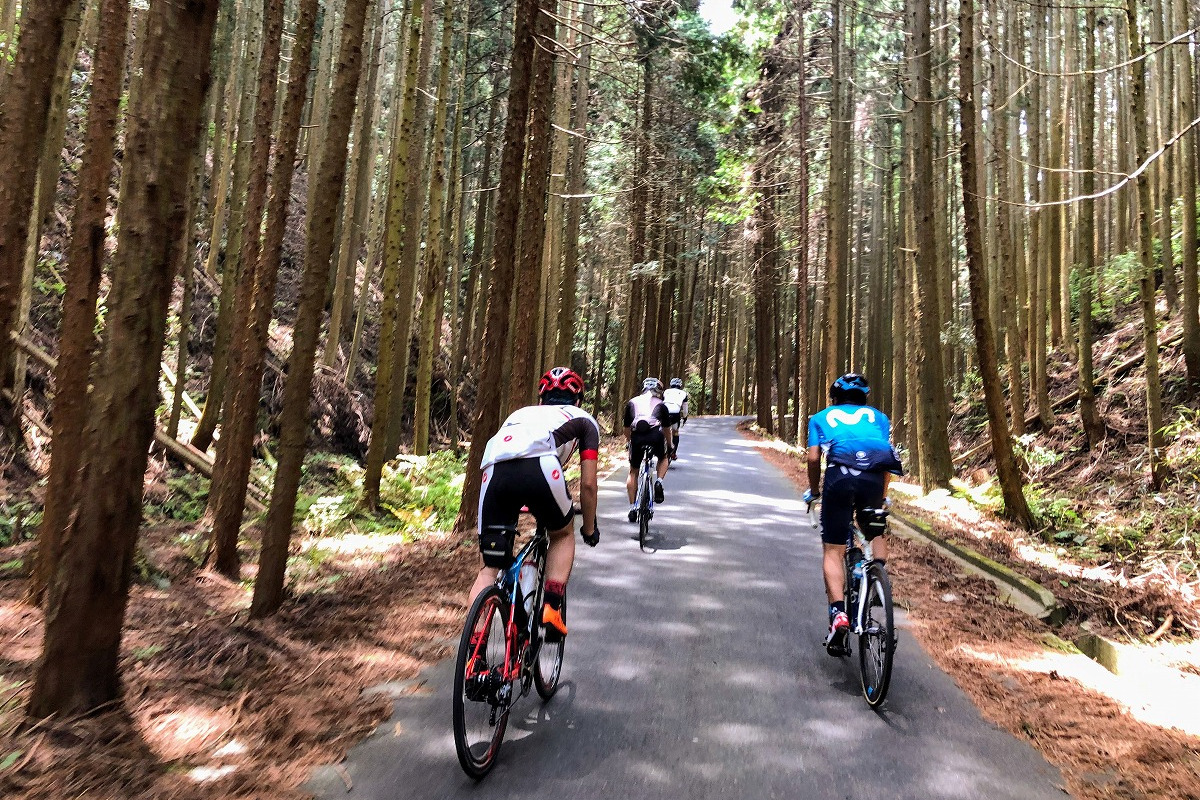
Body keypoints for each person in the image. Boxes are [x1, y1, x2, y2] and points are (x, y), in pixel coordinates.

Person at [467, 367, 600, 641]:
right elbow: (588, 485)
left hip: (493, 471)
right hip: (541, 468)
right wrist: (589, 528)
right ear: (578, 402)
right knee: (562, 534)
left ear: (541, 400)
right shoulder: (584, 420)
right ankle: (551, 608)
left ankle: (474, 653)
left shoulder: (519, 414)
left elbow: (512, 459)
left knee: (488, 568)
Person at [802, 373, 903, 656]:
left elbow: (813, 458)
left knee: (833, 549)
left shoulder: (820, 417)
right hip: (873, 478)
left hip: (840, 477)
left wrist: (814, 491)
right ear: (864, 398)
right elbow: (884, 458)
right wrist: (881, 499)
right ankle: (874, 577)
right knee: (874, 529)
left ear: (834, 398)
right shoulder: (879, 418)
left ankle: (839, 615)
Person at [624, 377, 672, 522]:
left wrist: (630, 441)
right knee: (663, 458)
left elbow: (626, 429)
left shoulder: (632, 402)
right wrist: (670, 446)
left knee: (633, 470)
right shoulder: (661, 405)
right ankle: (659, 482)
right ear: (658, 391)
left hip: (637, 437)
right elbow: (667, 429)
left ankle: (633, 507)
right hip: (655, 435)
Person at [662, 377, 689, 459]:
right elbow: (685, 409)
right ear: (680, 386)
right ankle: (673, 453)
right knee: (675, 432)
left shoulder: (666, 391)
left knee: (662, 430)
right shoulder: (683, 393)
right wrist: (685, 417)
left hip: (664, 412)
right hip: (675, 414)